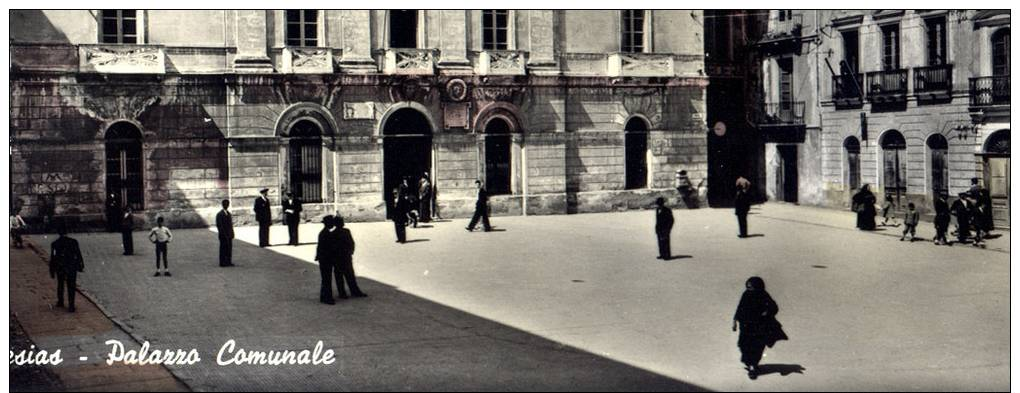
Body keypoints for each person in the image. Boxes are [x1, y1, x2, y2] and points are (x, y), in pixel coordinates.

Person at [732, 276, 788, 380]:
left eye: (751, 287)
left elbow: (774, 307)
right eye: (747, 287)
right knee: (742, 345)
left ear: (757, 287)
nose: (748, 289)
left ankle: (753, 367)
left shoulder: (763, 295)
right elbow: (740, 307)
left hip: (758, 327)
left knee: (756, 347)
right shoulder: (746, 294)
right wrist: (735, 321)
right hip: (746, 326)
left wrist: (767, 312)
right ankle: (750, 363)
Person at [50, 223, 84, 313]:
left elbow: (53, 257)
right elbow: (78, 254)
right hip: (71, 266)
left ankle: (61, 301)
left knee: (60, 283)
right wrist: (80, 264)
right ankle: (71, 305)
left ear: (58, 233)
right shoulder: (73, 242)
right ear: (67, 232)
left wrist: (52, 270)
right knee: (71, 285)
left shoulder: (55, 244)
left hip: (61, 266)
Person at [334, 216, 367, 298]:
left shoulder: (335, 233)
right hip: (344, 256)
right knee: (348, 275)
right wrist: (351, 251)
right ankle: (353, 291)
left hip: (341, 257)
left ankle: (343, 293)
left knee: (341, 276)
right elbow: (351, 243)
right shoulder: (345, 231)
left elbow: (351, 243)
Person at [315, 216, 340, 304]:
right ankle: (327, 298)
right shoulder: (326, 234)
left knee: (325, 278)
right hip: (326, 259)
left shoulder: (325, 232)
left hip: (324, 259)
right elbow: (326, 248)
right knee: (327, 279)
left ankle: (323, 296)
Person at [216, 199, 235, 267]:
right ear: (222, 205)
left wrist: (232, 233)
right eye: (225, 204)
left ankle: (228, 261)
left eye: (227, 204)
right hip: (223, 235)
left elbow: (230, 225)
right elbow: (219, 226)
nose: (226, 205)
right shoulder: (219, 214)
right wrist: (224, 234)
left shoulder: (228, 214)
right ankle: (222, 262)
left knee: (229, 248)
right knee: (223, 248)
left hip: (229, 234)